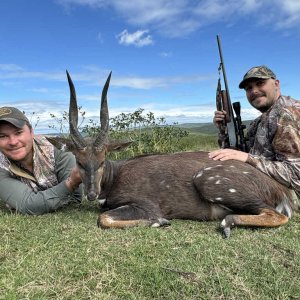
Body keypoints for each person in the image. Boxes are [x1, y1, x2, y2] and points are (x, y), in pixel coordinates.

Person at [210, 65, 300, 197]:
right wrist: (223, 129)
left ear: (276, 84)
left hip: (288, 197)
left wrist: (248, 159)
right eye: (249, 88)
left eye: (260, 83)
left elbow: (295, 174)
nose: (254, 91)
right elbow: (234, 154)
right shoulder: (259, 121)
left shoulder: (287, 114)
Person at [0, 106, 82, 214]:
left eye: (18, 133)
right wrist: (70, 183)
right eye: (2, 136)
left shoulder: (58, 148)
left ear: (31, 132)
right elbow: (28, 205)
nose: (13, 142)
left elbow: (75, 198)